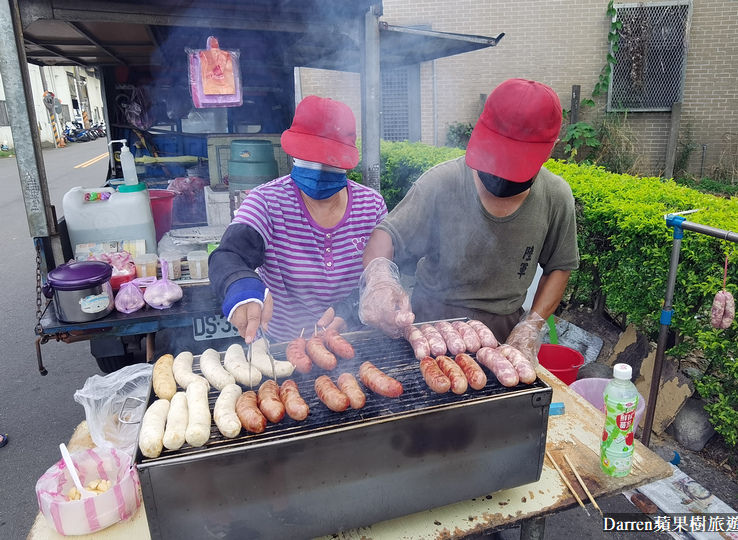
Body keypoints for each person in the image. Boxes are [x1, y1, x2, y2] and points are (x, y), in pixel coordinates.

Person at [359, 78, 579, 359]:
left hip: (504, 329)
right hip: (429, 324)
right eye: (497, 155)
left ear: (551, 148)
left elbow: (560, 267)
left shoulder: (555, 196)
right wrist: (379, 279)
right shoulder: (441, 182)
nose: (502, 172)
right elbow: (385, 236)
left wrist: (531, 325)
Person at [209, 95, 388, 344]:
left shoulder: (372, 205)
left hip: (356, 343)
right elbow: (229, 254)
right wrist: (241, 284)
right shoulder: (266, 201)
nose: (317, 168)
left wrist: (350, 306)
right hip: (284, 350)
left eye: (329, 160)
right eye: (308, 157)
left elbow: (380, 277)